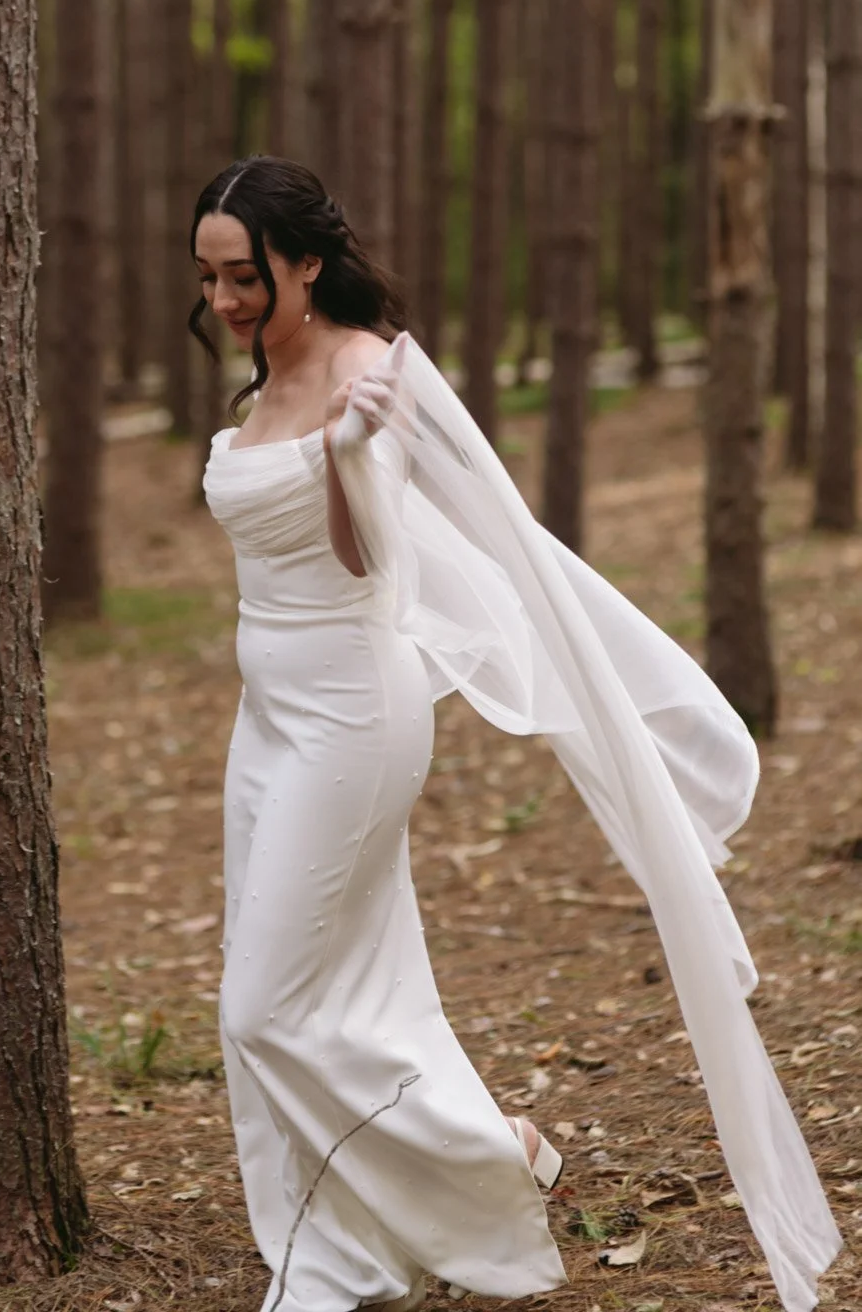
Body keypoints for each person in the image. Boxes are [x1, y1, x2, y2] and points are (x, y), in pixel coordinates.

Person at [194, 155, 840, 1312]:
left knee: (262, 1005)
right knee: (332, 986)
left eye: (243, 275)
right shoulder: (258, 374)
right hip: (266, 721)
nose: (225, 300)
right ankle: (340, 1237)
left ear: (302, 261)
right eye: (208, 278)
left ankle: (497, 1156)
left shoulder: (367, 371)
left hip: (353, 715)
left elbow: (363, 558)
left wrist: (347, 453)